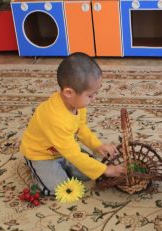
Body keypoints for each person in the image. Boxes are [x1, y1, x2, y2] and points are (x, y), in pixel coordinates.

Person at [20, 52, 125, 195]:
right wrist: (105, 170)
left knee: (88, 173)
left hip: (63, 149)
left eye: (95, 93)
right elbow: (74, 154)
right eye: (90, 95)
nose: (94, 98)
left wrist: (97, 145)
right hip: (41, 155)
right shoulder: (56, 119)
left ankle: (64, 164)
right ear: (69, 93)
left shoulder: (77, 104)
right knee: (60, 188)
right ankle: (35, 167)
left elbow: (81, 128)